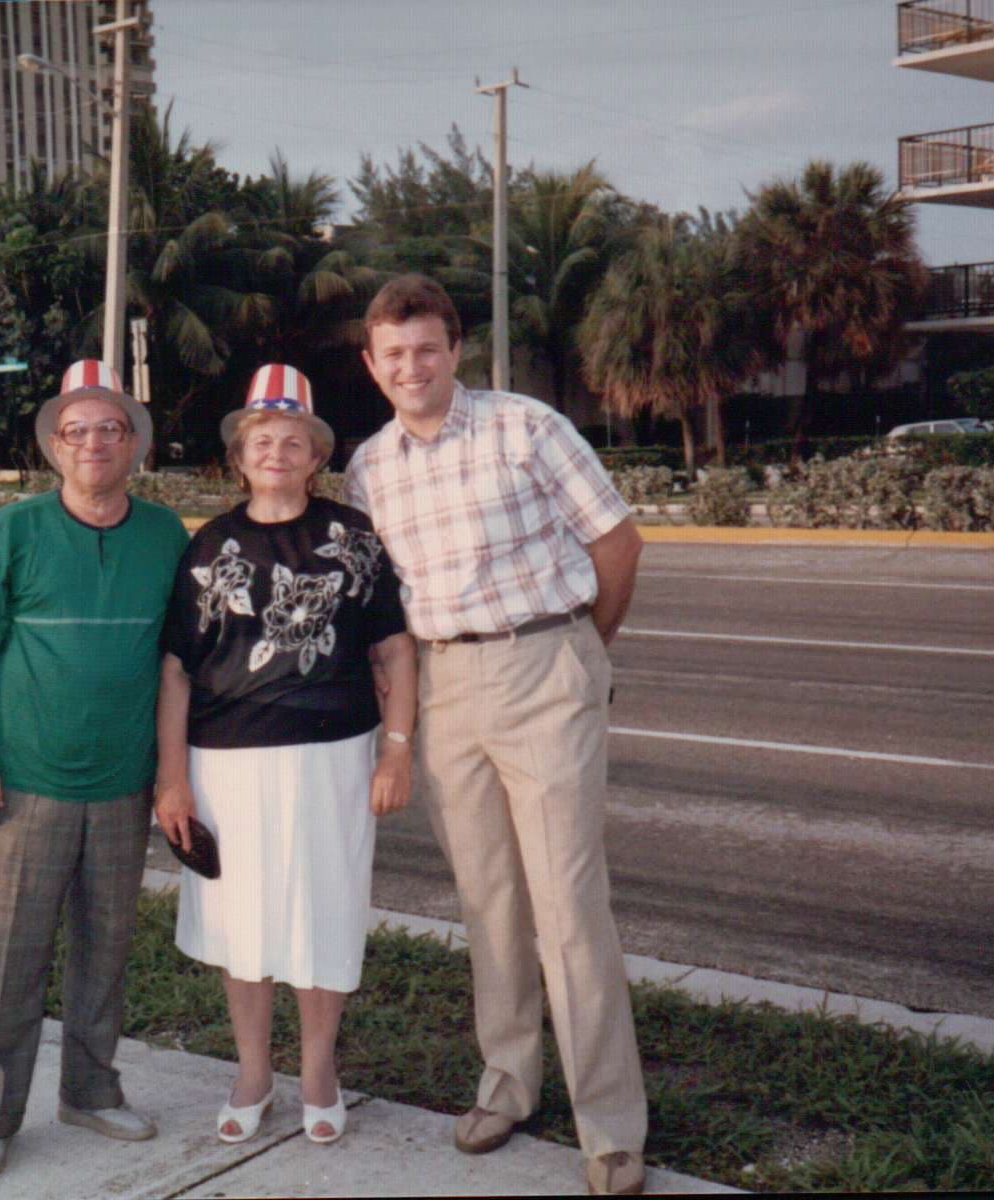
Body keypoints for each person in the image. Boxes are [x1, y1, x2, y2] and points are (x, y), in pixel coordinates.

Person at [344, 275, 650, 1196]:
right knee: (489, 899)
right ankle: (510, 1082)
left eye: (427, 348)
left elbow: (617, 542)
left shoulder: (525, 426)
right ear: (372, 363)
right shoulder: (369, 465)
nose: (412, 366)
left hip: (543, 661)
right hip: (442, 686)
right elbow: (385, 603)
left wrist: (581, 654)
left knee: (566, 902)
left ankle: (610, 1126)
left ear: (455, 350)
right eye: (393, 354)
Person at [154, 363, 418, 1148]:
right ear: (240, 454)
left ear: (314, 455)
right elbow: (176, 669)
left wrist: (398, 751)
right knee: (243, 921)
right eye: (261, 439)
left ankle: (318, 1072)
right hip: (225, 764)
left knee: (322, 911)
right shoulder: (210, 545)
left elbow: (397, 653)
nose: (276, 451)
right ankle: (252, 1071)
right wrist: (171, 779)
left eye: (292, 440)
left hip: (333, 757)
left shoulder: (351, 537)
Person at [0, 360, 190, 1185]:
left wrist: (169, 776)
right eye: (77, 429)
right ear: (55, 446)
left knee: (106, 950)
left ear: (135, 446)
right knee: (8, 956)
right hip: (25, 785)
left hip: (124, 786)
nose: (94, 442)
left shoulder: (165, 537)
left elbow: (175, 666)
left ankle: (90, 1090)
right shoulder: (14, 531)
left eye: (111, 428)